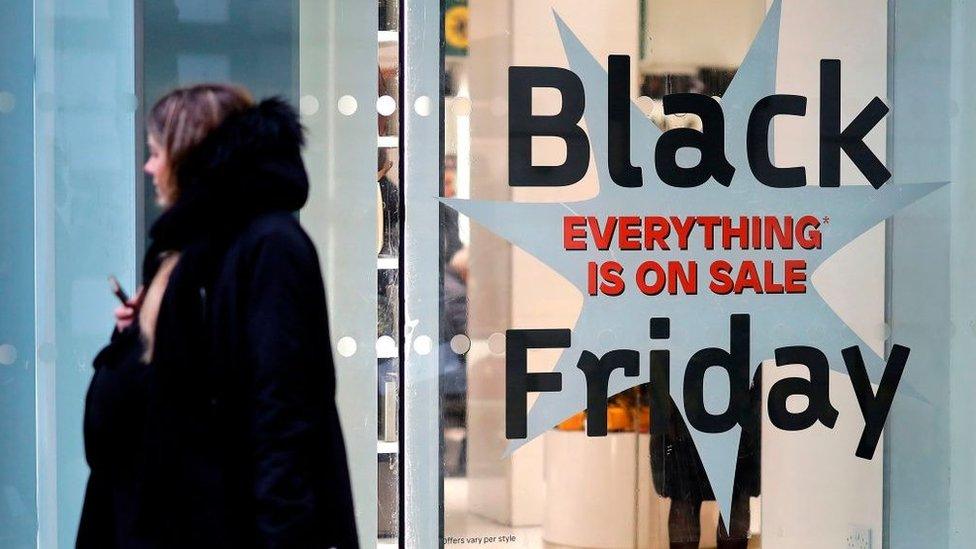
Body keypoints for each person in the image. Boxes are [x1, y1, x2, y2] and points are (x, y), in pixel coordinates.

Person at [78, 84, 359, 548]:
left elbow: (281, 411)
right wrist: (135, 334)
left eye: (155, 153)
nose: (149, 167)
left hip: (227, 525)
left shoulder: (269, 246)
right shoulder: (189, 248)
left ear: (187, 154)